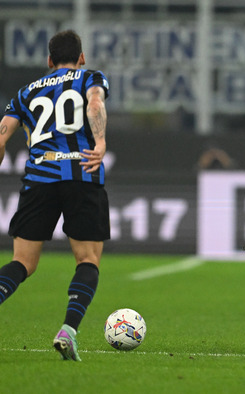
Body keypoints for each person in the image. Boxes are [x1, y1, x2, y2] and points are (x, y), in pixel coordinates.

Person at [0, 30, 110, 361]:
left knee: (23, 262)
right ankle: (68, 330)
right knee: (87, 260)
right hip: (82, 174)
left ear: (49, 61)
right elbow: (94, 102)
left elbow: (2, 136)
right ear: (82, 57)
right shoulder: (90, 76)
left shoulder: (25, 92)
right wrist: (100, 141)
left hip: (39, 179)